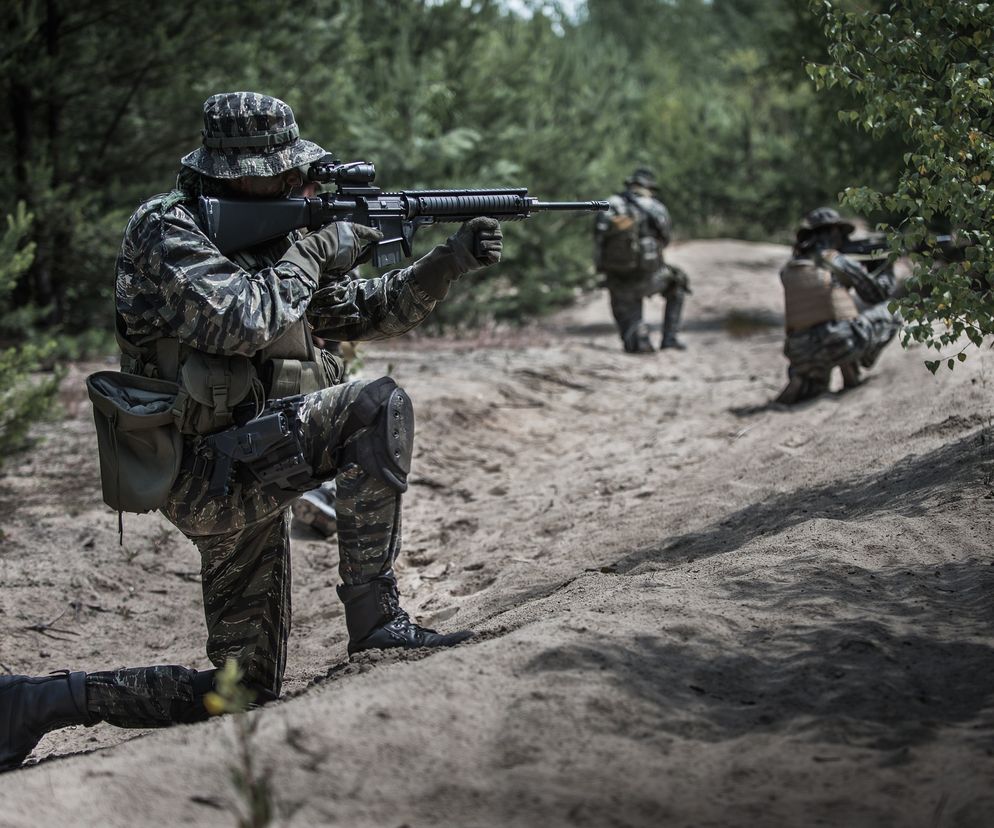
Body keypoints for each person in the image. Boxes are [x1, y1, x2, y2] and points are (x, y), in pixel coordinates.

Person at [0, 92, 503, 771]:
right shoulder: (166, 229)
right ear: (236, 170)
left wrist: (449, 260)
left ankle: (43, 702)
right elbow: (242, 321)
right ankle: (377, 624)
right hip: (205, 474)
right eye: (286, 172)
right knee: (376, 404)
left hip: (254, 456)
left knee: (239, 694)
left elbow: (358, 310)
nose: (301, 184)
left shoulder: (269, 236)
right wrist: (318, 246)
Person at [775, 207, 901, 404]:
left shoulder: (789, 268)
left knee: (817, 384)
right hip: (840, 343)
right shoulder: (836, 261)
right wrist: (885, 265)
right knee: (894, 311)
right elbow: (877, 294)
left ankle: (806, 377)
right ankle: (854, 363)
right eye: (842, 234)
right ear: (834, 232)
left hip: (800, 352)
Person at [593, 167, 690, 353]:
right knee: (678, 282)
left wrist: (601, 267)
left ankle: (637, 336)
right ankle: (669, 338)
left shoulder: (611, 204)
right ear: (650, 187)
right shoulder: (655, 207)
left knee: (624, 305)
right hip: (650, 276)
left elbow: (598, 239)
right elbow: (665, 239)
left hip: (618, 276)